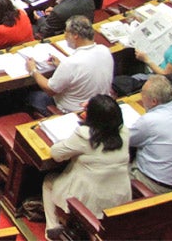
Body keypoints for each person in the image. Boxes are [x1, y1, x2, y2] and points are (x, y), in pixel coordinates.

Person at [41, 94, 130, 239]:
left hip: (88, 201)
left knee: (49, 180)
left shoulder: (85, 135)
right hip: (118, 198)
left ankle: (52, 230)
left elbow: (56, 154)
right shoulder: (124, 132)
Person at [26, 16, 113, 116]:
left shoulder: (71, 63)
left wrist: (33, 70)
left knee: (33, 96)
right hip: (98, 106)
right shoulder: (104, 50)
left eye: (66, 32)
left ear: (75, 35)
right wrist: (60, 65)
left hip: (74, 111)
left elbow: (50, 90)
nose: (65, 35)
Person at [127, 75, 172, 193]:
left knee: (115, 166)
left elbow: (125, 139)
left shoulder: (149, 121)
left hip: (154, 185)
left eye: (143, 94)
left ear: (154, 101)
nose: (141, 97)